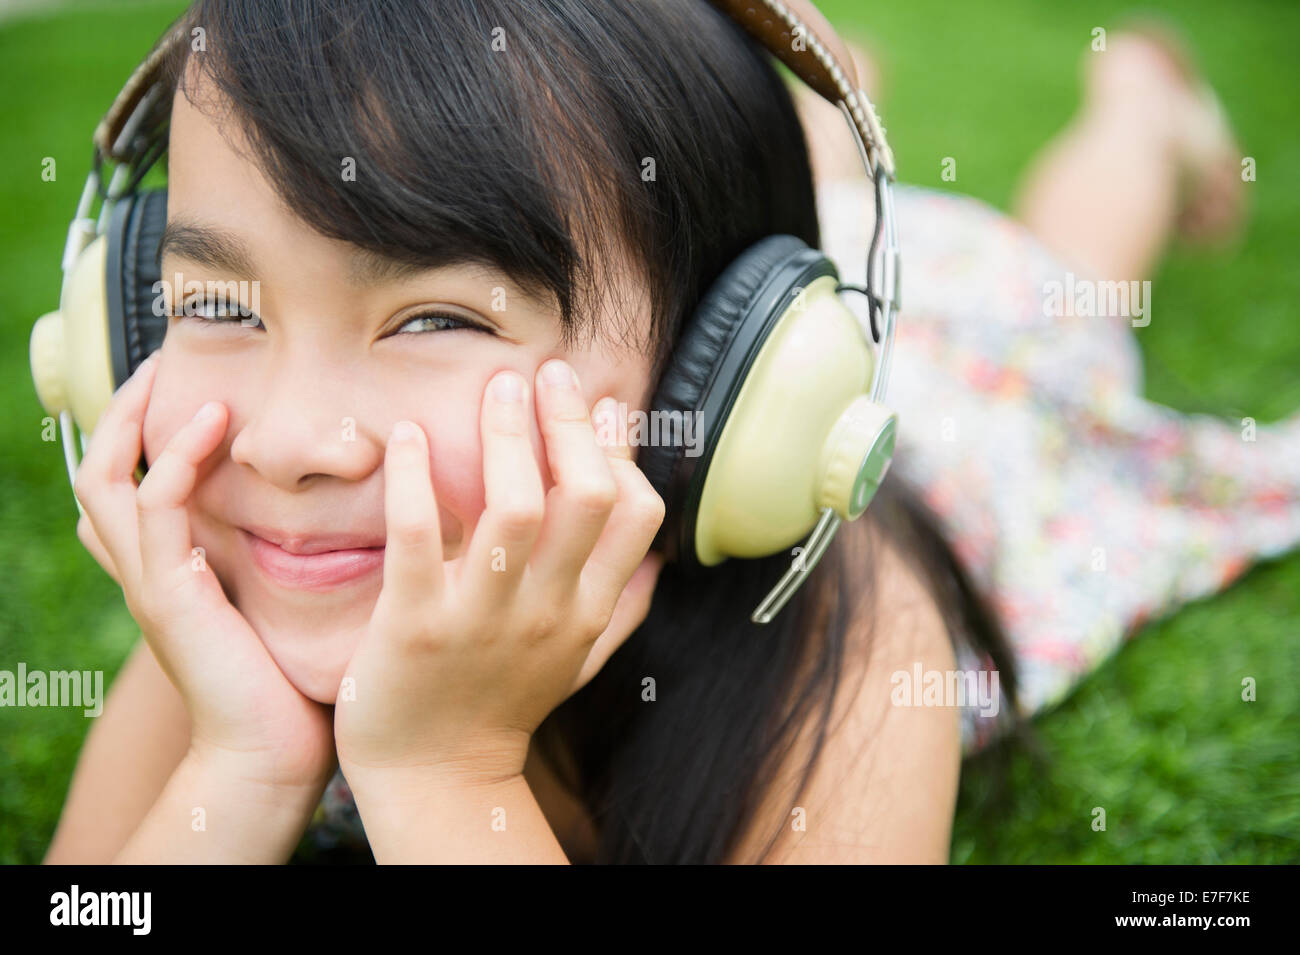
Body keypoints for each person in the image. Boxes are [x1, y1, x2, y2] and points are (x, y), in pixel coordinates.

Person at [44, 2, 1287, 866]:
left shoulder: (850, 647)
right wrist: (240, 763)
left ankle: (1139, 110)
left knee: (1063, 280)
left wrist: (445, 770)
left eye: (434, 315)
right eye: (214, 302)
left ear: (725, 385)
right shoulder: (255, 587)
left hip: (978, 384)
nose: (285, 443)